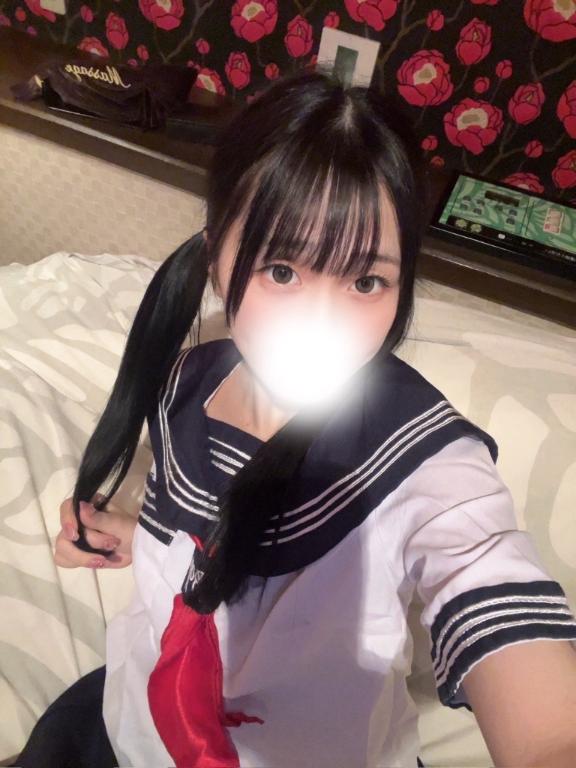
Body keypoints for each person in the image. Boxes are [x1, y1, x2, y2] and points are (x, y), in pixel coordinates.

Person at [15, 67, 576, 768]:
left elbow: (494, 597)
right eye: (282, 270)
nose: (321, 325)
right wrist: (144, 538)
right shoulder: (187, 377)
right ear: (216, 255)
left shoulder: (427, 462)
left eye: (366, 281)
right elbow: (207, 527)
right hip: (132, 724)